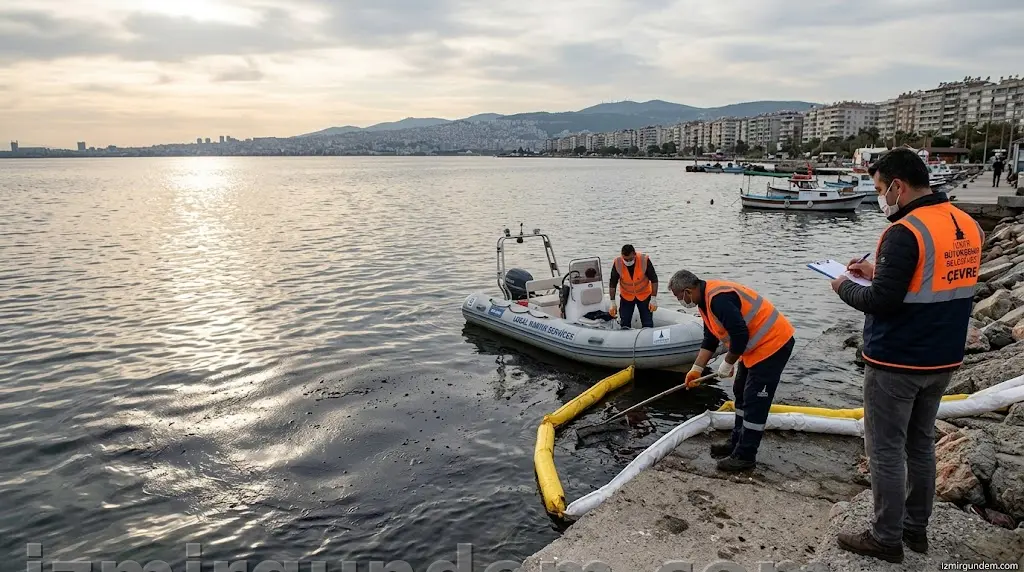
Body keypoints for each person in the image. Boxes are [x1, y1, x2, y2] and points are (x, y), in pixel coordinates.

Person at [830, 148, 984, 564]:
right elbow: (931, 280)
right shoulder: (965, 223)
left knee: (884, 449)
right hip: (944, 358)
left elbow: (881, 302)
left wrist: (843, 285)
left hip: (898, 361)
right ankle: (916, 529)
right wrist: (876, 272)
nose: (880, 197)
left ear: (897, 185)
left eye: (880, 189)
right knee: (920, 445)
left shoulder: (905, 231)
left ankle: (885, 537)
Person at [668, 270, 795, 472]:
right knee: (740, 392)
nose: (681, 302)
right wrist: (696, 369)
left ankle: (745, 456)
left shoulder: (719, 299)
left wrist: (727, 363)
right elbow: (710, 339)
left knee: (755, 400)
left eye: (679, 297)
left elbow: (740, 335)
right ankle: (737, 442)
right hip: (755, 349)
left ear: (688, 291)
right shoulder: (705, 302)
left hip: (773, 345)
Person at [608, 244, 658, 329]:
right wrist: (612, 302)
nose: (628, 262)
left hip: (644, 295)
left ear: (634, 254)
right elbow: (613, 283)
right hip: (627, 296)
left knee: (647, 321)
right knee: (625, 321)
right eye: (625, 259)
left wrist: (653, 298)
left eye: (630, 259)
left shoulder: (644, 260)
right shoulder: (618, 263)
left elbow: (654, 280)